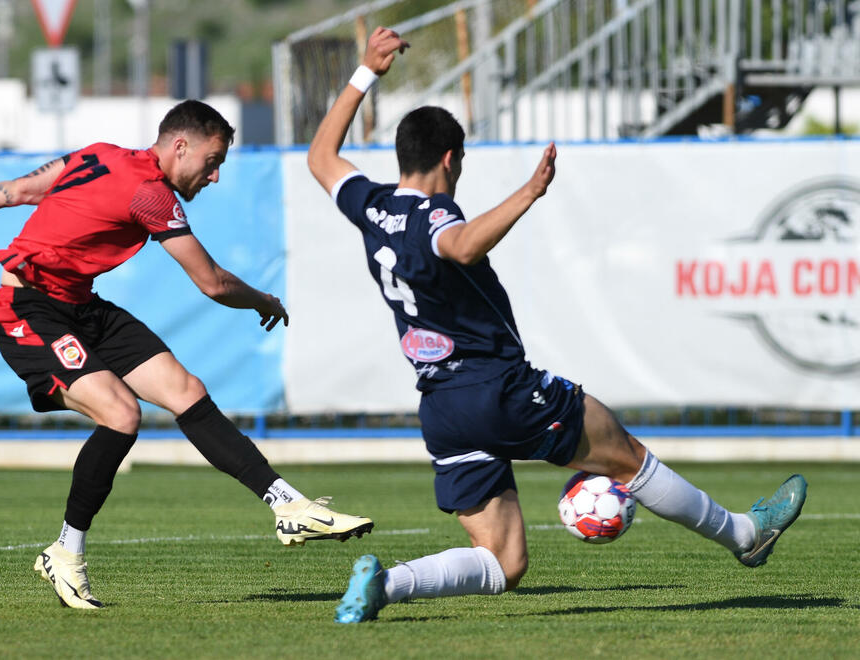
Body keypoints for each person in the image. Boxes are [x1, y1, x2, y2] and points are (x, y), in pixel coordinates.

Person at [306, 27, 807, 624]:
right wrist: (530, 192)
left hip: (442, 407)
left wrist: (366, 72)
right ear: (449, 158)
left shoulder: (371, 205)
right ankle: (744, 536)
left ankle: (385, 585)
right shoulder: (438, 212)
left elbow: (320, 157)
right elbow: (459, 246)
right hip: (501, 389)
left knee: (504, 560)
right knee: (627, 458)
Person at [0, 99, 372, 610]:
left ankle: (288, 505)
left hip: (81, 307)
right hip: (26, 310)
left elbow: (16, 191)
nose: (216, 175)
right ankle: (65, 553)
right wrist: (264, 300)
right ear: (181, 146)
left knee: (186, 391)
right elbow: (212, 283)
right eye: (213, 159)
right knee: (121, 413)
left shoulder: (99, 154)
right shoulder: (152, 195)